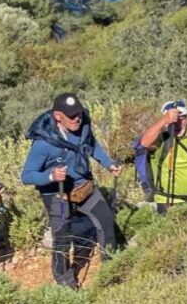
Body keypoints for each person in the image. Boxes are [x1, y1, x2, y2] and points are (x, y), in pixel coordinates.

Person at [21, 93, 123, 288]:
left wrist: (109, 164)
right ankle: (65, 281)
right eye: (71, 115)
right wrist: (50, 176)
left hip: (84, 186)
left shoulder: (83, 127)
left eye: (79, 113)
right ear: (58, 116)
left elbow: (92, 146)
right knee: (62, 238)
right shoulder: (43, 144)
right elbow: (27, 175)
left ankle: (112, 268)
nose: (77, 118)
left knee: (106, 221)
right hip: (57, 195)